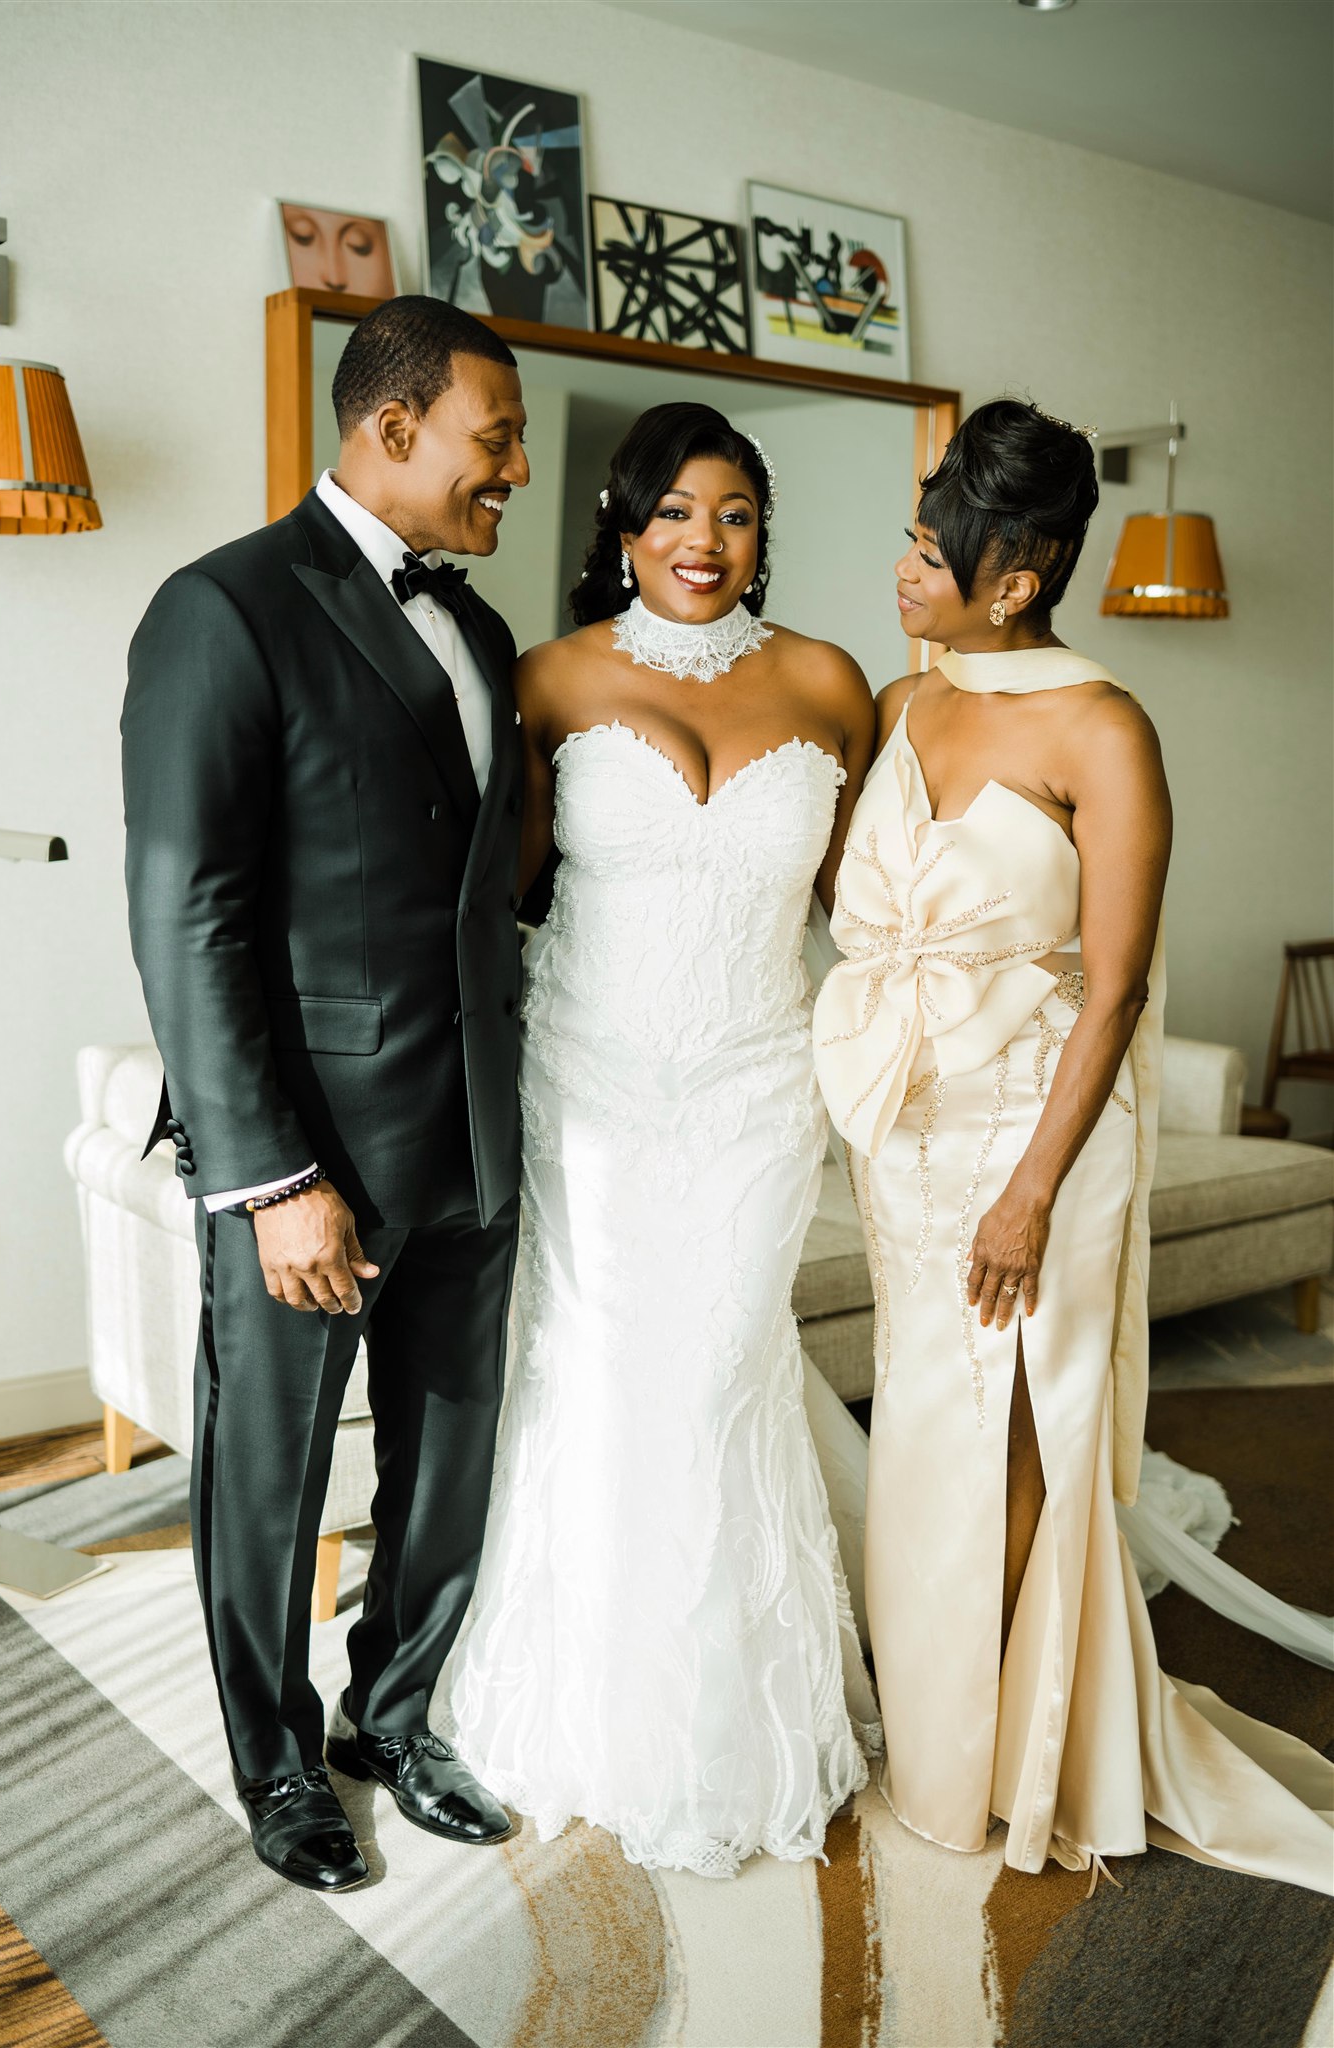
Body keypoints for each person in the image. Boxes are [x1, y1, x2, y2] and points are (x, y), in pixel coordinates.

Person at [813, 398, 1333, 1891]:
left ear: (1017, 571)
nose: (901, 569)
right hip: (908, 1136)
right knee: (923, 1425)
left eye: (928, 549)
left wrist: (1031, 1190)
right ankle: (934, 1728)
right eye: (909, 541)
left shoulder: (1102, 726)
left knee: (1018, 1432)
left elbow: (1112, 990)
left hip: (1035, 1135)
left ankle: (1009, 1752)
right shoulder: (908, 706)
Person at [438, 402, 881, 1877]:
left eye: (736, 513)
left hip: (760, 1088)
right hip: (595, 1089)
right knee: (616, 1383)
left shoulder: (828, 680)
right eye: (675, 512)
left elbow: (863, 908)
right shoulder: (546, 678)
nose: (705, 542)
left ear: (764, 529)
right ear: (623, 526)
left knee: (716, 1383)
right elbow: (500, 893)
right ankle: (589, 1714)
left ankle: (731, 1726)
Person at [122, 296, 530, 1892]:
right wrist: (269, 1176)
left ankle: (397, 1713)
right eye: (491, 441)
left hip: (476, 1139)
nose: (508, 472)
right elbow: (186, 908)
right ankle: (277, 1765)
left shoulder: (485, 634)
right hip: (309, 1158)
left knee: (449, 1458)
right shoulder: (222, 607)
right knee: (272, 1470)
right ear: (392, 427)